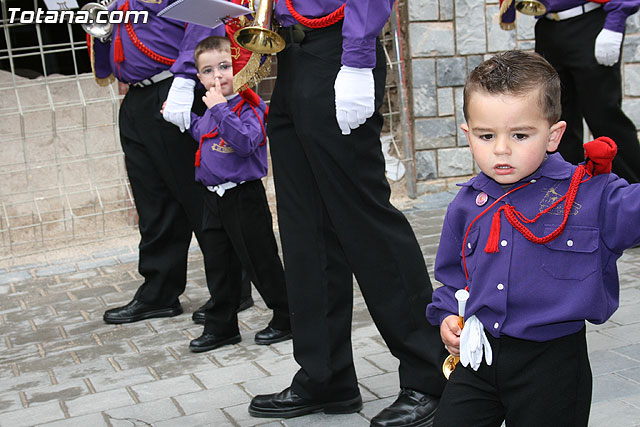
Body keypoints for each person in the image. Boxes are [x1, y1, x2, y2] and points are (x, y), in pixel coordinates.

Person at [247, 1, 447, 425]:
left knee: (366, 224)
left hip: (338, 52)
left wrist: (356, 59)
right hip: (293, 54)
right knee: (305, 229)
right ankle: (326, 375)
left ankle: (431, 374)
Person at [426, 50, 640, 426]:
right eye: (486, 135)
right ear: (467, 134)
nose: (501, 149)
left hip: (552, 365)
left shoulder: (589, 196)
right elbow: (454, 277)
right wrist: (446, 315)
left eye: (520, 135)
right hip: (479, 357)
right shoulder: (467, 203)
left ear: (553, 135)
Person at [87, 0, 251, 325]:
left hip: (174, 88)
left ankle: (232, 289)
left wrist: (185, 79)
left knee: (199, 197)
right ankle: (159, 291)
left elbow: (204, 16)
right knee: (153, 203)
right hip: (138, 97)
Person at [179, 35, 291, 352]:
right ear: (199, 78)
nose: (218, 76)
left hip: (244, 197)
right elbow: (201, 134)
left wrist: (220, 110)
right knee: (218, 264)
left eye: (225, 66)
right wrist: (183, 116)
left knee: (261, 261)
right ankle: (222, 326)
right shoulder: (208, 110)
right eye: (208, 70)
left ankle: (287, 316)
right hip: (213, 198)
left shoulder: (250, 108)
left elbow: (244, 143)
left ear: (239, 67)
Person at [500, 0, 640, 183]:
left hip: (588, 25)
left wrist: (614, 23)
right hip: (548, 28)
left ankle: (634, 188)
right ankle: (568, 189)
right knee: (557, 119)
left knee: (604, 116)